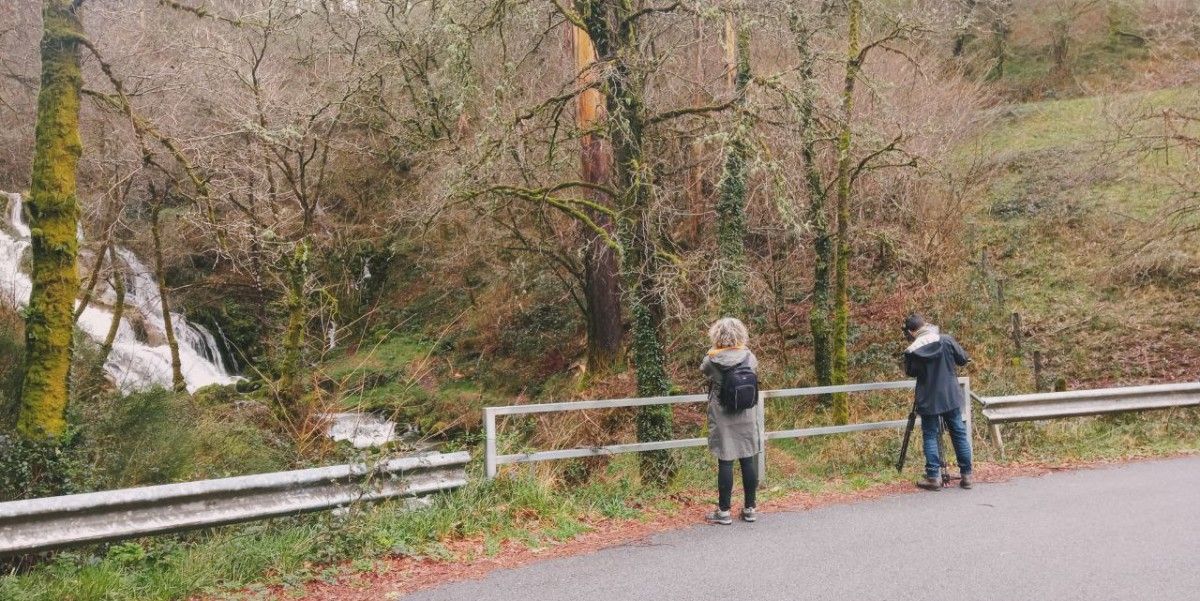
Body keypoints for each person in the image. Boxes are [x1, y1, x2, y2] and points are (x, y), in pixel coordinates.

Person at [902, 312, 974, 491]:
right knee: (958, 432)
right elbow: (963, 359)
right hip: (950, 395)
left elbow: (910, 372)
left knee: (930, 434)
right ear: (925, 324)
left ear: (911, 332)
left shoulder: (912, 350)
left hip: (928, 398)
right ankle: (966, 476)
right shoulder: (946, 340)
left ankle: (933, 477)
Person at [700, 317, 762, 524]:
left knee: (725, 460)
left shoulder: (711, 360)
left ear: (717, 335)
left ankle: (724, 511)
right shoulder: (749, 357)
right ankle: (750, 508)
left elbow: (703, 371)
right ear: (740, 334)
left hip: (722, 414)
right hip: (746, 413)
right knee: (747, 458)